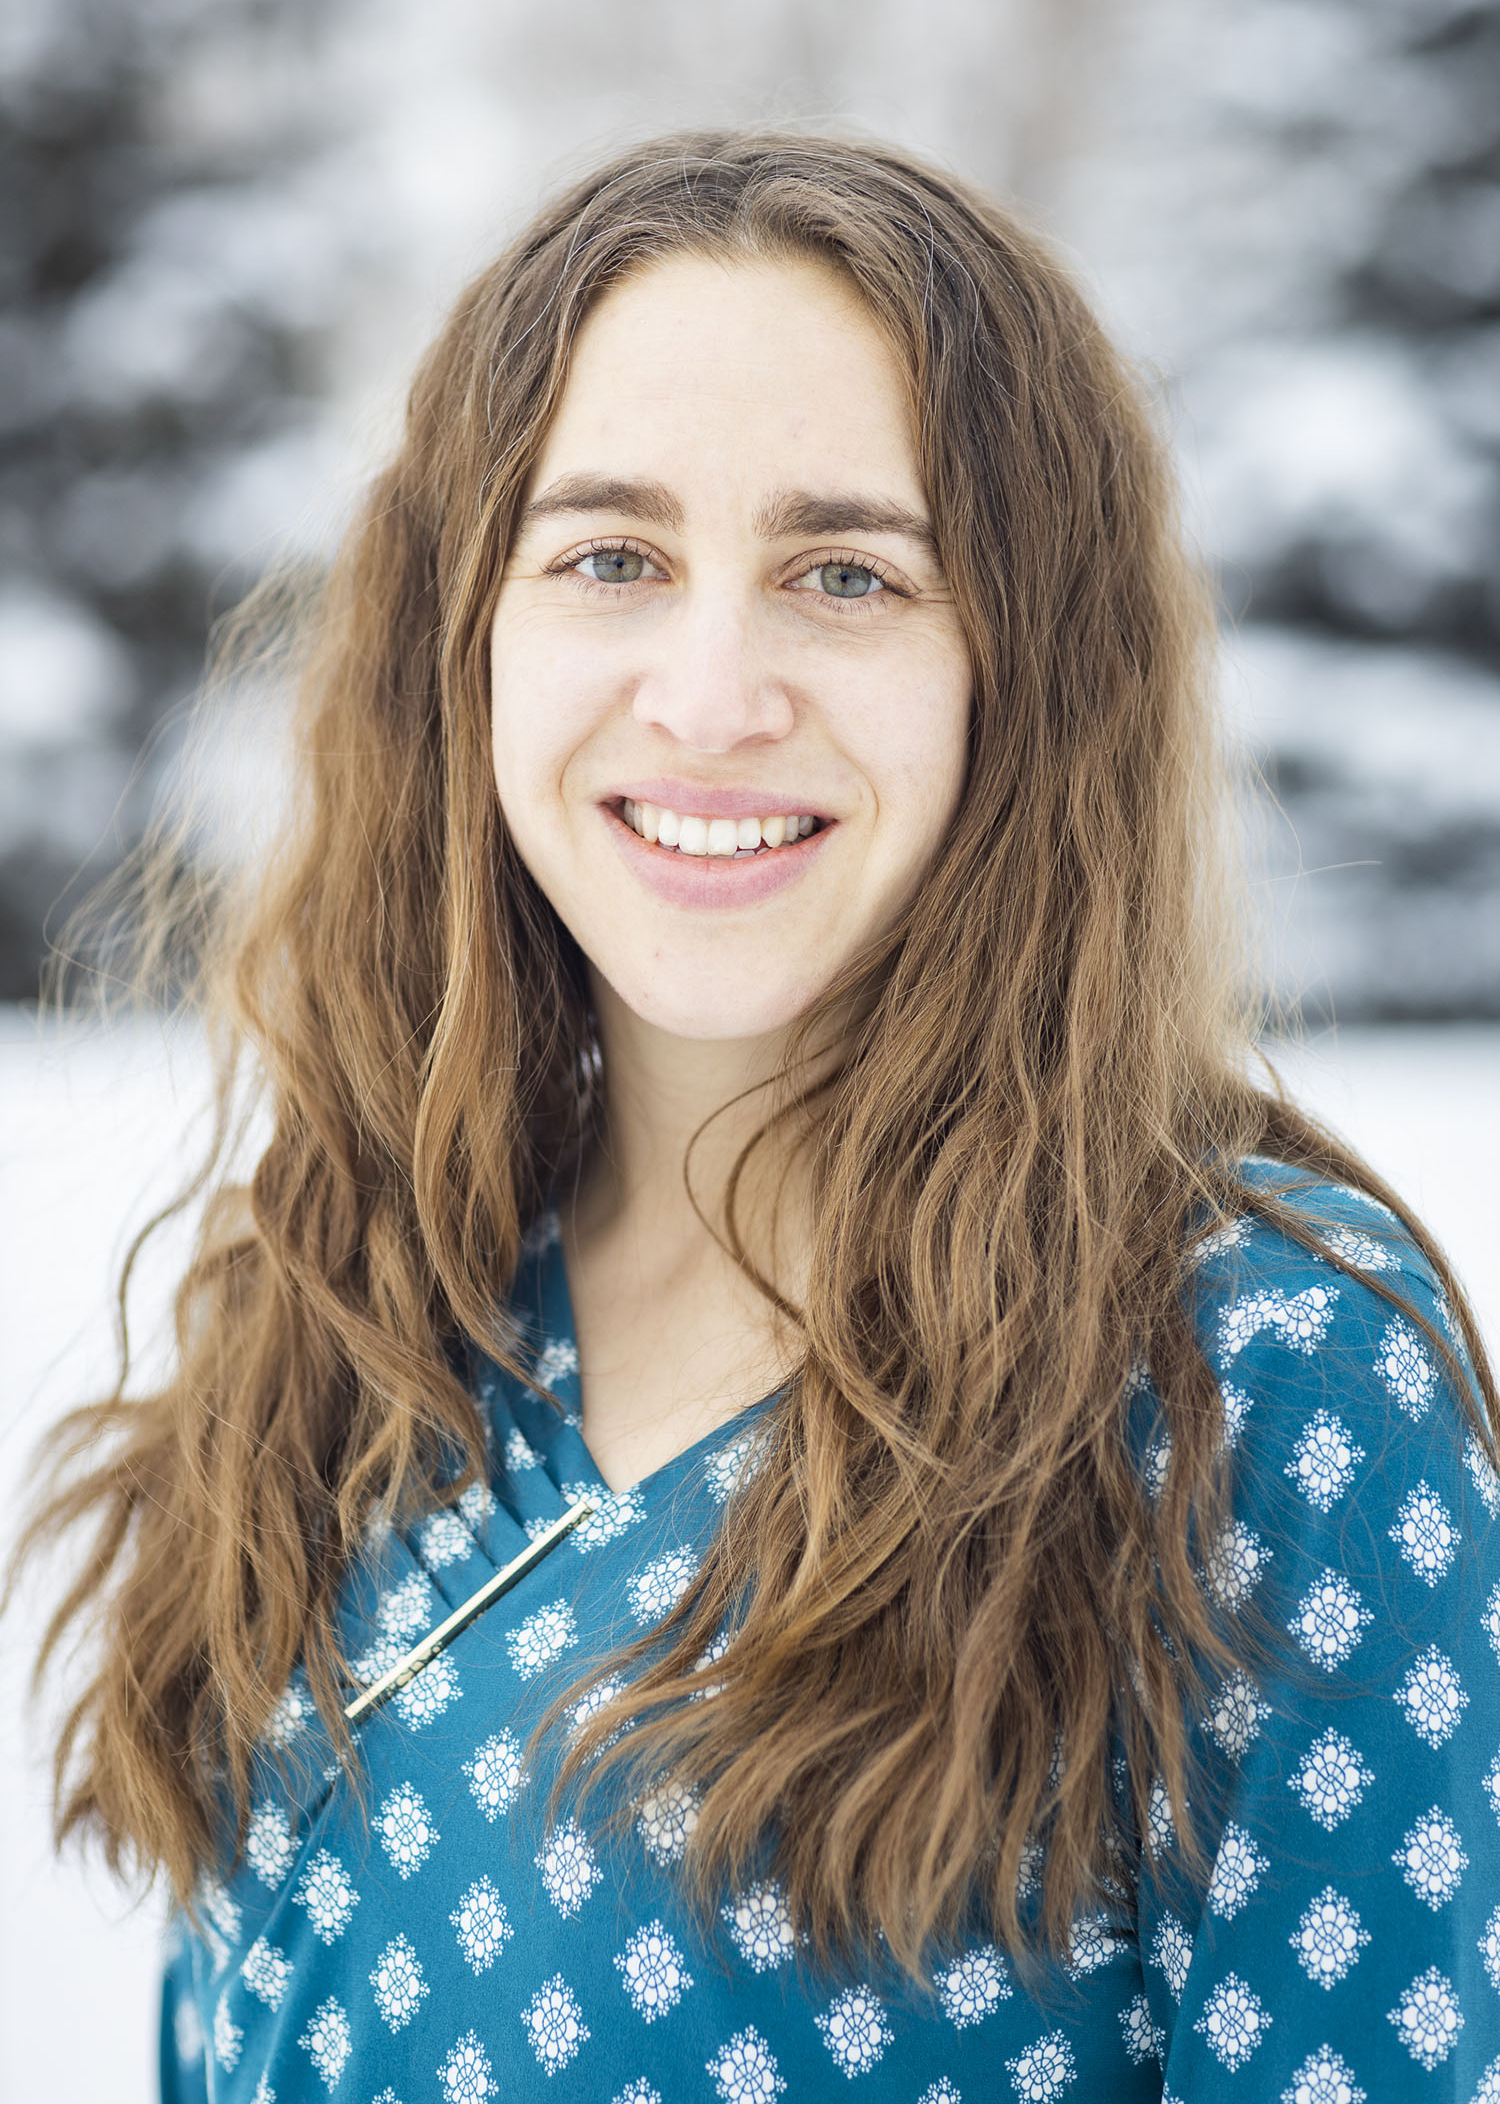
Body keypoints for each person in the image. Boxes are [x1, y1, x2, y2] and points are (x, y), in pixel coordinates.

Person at [17, 129, 1500, 2102]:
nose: (709, 696)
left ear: (1024, 673)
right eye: (612, 557)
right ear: (462, 641)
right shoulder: (371, 1300)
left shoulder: (1266, 1377)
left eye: (846, 572)